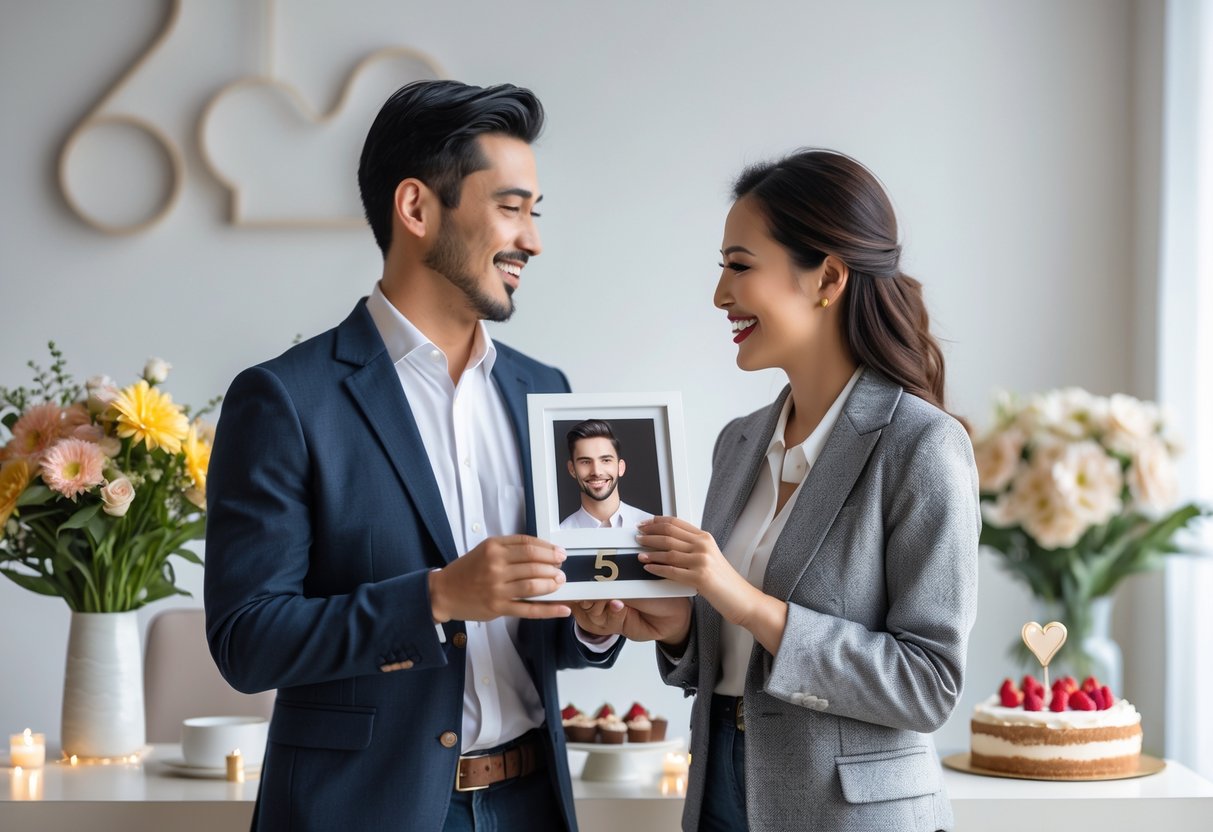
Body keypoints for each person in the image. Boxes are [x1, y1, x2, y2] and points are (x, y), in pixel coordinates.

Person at [204, 80, 622, 832]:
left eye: (534, 214)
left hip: (532, 803)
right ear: (418, 208)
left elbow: (543, 630)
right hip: (363, 810)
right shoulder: (286, 400)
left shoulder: (544, 391)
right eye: (511, 208)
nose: (532, 240)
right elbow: (247, 641)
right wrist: (432, 597)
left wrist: (593, 620)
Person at [572, 149, 980, 832]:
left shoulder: (921, 444)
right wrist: (676, 629)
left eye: (739, 266)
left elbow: (926, 685)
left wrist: (735, 595)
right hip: (723, 787)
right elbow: (736, 656)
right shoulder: (737, 442)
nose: (719, 294)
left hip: (847, 814)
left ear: (825, 277)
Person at [558, 419, 654, 529]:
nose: (597, 472)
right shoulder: (559, 535)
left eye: (606, 460)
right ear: (572, 469)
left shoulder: (653, 528)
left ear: (620, 467)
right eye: (585, 462)